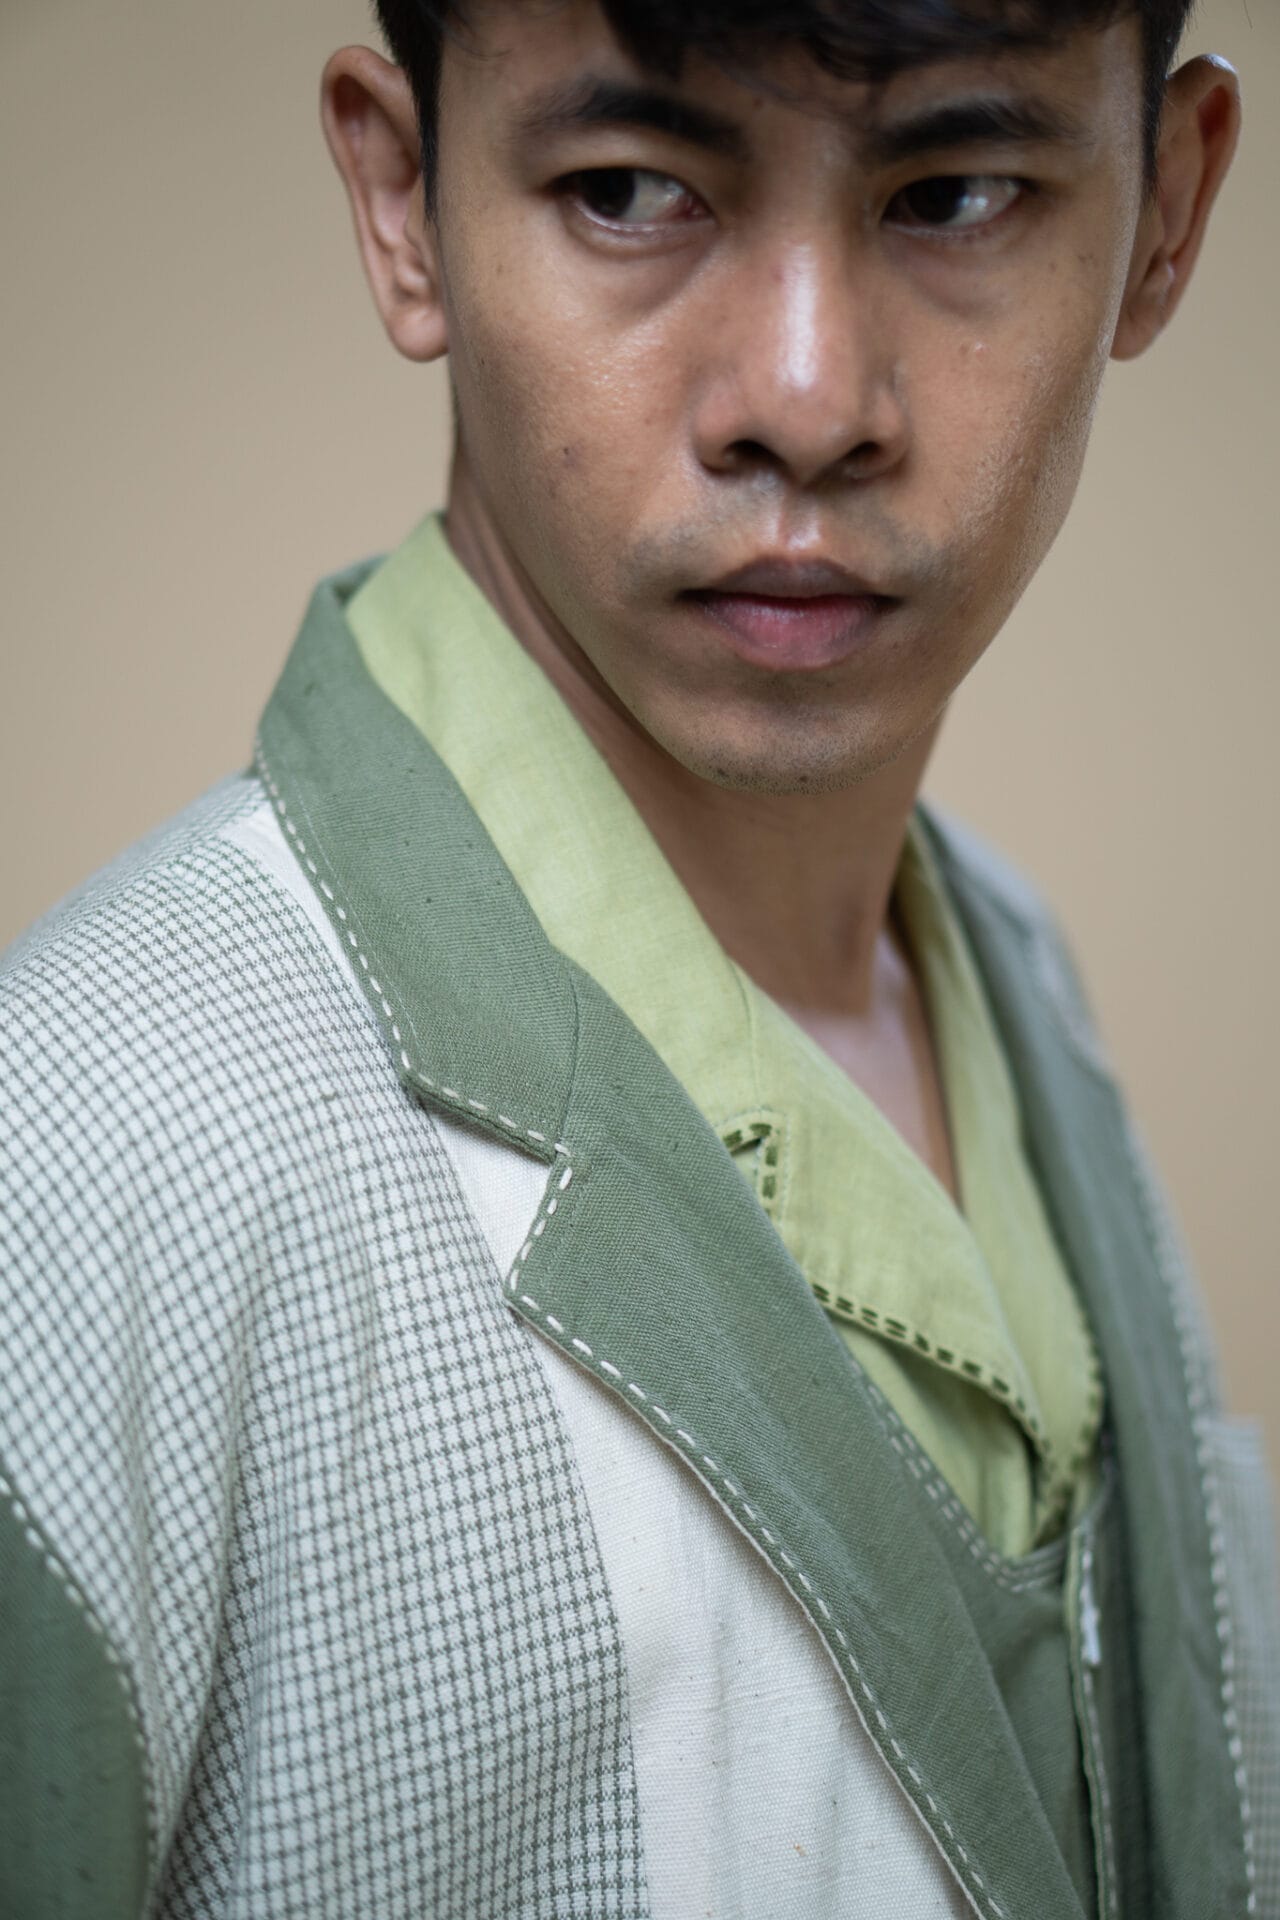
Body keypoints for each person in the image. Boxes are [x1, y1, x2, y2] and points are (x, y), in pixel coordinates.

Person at [1, 0, 1275, 1914]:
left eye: (955, 192)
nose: (806, 395)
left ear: (1167, 212)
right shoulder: (79, 1160)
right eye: (626, 188)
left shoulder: (1023, 996)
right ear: (404, 199)